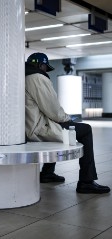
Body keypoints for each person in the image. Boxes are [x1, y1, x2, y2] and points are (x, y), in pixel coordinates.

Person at [25, 52, 110, 194]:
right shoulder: (37, 78)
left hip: (30, 126)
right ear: (41, 65)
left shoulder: (24, 77)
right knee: (86, 129)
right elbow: (53, 110)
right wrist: (68, 119)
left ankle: (47, 173)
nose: (46, 71)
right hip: (38, 128)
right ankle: (86, 181)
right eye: (46, 67)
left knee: (60, 125)